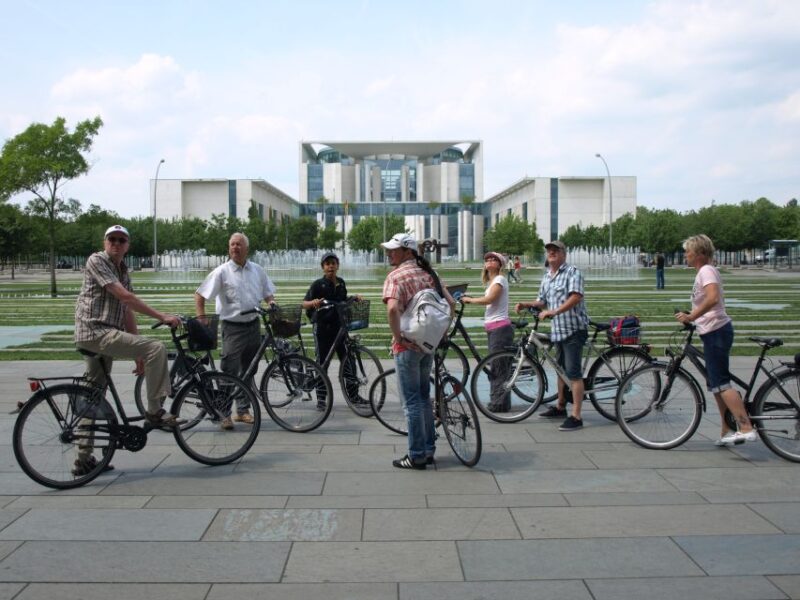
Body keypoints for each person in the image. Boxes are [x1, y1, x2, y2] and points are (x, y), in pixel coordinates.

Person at [74, 225, 182, 475]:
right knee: (156, 347)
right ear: (105, 242)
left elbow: (127, 310)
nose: (116, 243)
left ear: (127, 246)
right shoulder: (97, 260)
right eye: (112, 239)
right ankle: (155, 410)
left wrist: (136, 353)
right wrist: (161, 316)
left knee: (93, 396)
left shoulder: (122, 270)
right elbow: (125, 297)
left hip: (101, 334)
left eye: (122, 240)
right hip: (96, 332)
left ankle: (83, 459)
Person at [382, 233, 455, 469]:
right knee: (424, 398)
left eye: (394, 249)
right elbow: (451, 304)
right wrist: (441, 333)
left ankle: (416, 455)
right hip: (427, 345)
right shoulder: (429, 273)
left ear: (407, 251)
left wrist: (398, 337)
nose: (389, 253)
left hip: (407, 345)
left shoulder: (395, 276)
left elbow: (393, 309)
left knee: (411, 402)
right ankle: (429, 448)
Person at [676, 234, 756, 445]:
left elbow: (713, 298)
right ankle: (727, 430)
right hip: (711, 331)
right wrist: (692, 316)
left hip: (717, 332)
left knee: (721, 382)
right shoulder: (703, 271)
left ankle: (746, 426)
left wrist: (692, 316)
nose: (686, 255)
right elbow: (706, 302)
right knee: (715, 384)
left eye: (688, 251)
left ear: (700, 254)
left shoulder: (707, 270)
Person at [195, 232, 276, 430]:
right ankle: (224, 413)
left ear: (247, 249)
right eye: (232, 244)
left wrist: (272, 302)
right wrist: (202, 317)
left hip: (253, 326)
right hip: (232, 327)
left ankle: (243, 410)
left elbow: (268, 293)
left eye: (239, 244)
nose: (235, 248)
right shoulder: (221, 272)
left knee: (249, 370)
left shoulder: (257, 270)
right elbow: (200, 295)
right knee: (229, 371)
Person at [515, 240, 589, 431]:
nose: (552, 253)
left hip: (574, 329)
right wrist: (526, 304)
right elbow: (542, 301)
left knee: (573, 373)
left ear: (563, 254)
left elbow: (576, 296)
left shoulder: (573, 272)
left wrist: (554, 311)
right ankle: (561, 406)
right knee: (560, 370)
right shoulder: (548, 276)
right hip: (559, 331)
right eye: (549, 251)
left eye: (555, 250)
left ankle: (577, 416)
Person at [302, 252, 362, 409]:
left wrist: (354, 298)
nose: (330, 266)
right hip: (323, 327)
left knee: (349, 361)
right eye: (327, 264)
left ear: (338, 266)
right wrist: (313, 302)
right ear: (323, 267)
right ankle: (321, 398)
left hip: (340, 328)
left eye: (333, 263)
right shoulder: (317, 285)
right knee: (322, 363)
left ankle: (354, 396)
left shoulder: (341, 283)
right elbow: (304, 303)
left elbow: (342, 301)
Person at [462, 251, 513, 412]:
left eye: (494, 260)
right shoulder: (492, 281)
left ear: (500, 264)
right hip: (494, 328)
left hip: (500, 328)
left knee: (497, 367)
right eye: (487, 260)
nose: (490, 261)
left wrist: (470, 300)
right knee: (498, 366)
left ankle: (498, 403)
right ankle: (502, 402)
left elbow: (490, 299)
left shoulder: (499, 279)